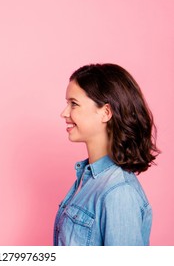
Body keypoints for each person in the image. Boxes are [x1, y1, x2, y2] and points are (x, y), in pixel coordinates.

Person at [53, 63, 160, 246]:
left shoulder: (119, 193)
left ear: (106, 112)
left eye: (74, 104)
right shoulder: (87, 179)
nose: (64, 113)